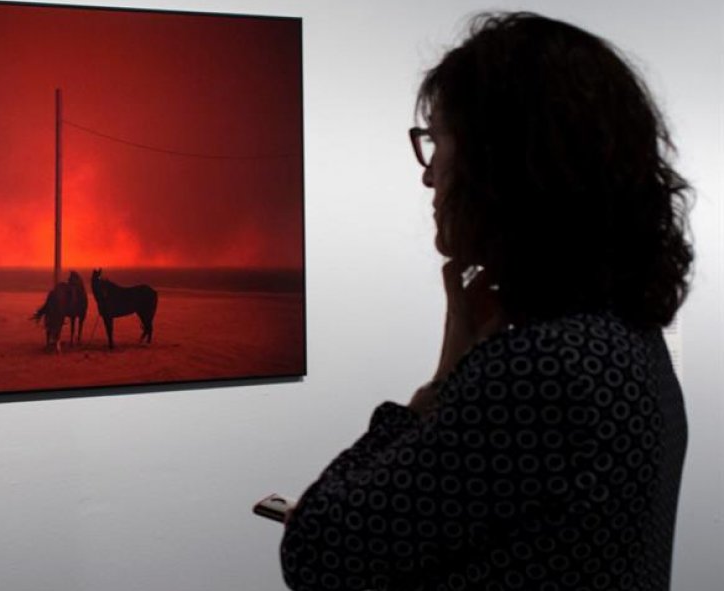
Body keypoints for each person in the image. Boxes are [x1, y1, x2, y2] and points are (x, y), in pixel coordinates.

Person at [280, 12, 691, 591]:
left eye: (438, 141)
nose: (430, 179)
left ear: (500, 162)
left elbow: (319, 552)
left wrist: (442, 379)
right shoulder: (626, 339)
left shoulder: (541, 368)